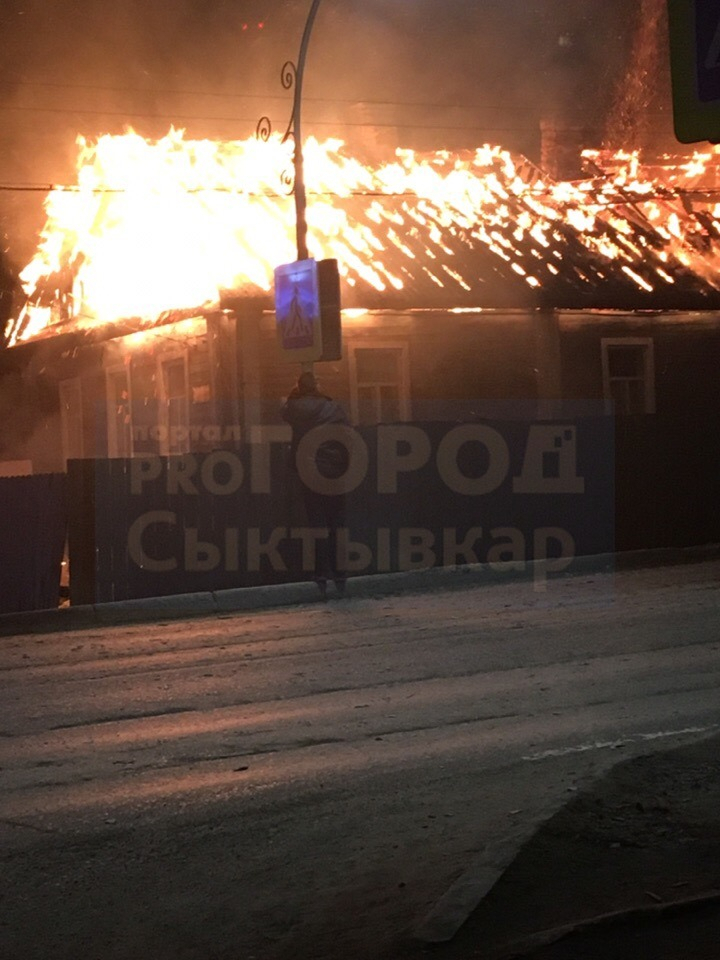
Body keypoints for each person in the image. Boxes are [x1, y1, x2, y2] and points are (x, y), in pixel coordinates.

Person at [281, 371, 350, 598]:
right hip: (334, 470)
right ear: (318, 385)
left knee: (317, 522)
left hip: (309, 469)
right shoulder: (333, 407)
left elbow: (285, 410)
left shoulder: (294, 408)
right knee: (336, 521)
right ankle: (340, 573)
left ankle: (321, 573)